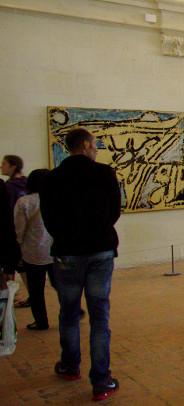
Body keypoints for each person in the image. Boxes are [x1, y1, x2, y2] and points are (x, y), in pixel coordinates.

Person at [39, 128, 121, 401]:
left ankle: (70, 366)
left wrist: (66, 236)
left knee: (69, 312)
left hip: (67, 253)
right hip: (100, 250)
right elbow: (114, 211)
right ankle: (101, 380)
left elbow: (48, 218)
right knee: (99, 317)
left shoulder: (52, 178)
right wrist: (98, 231)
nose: (96, 149)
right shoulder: (104, 173)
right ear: (85, 144)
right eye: (94, 144)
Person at [13, 169, 53, 330]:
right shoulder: (57, 198)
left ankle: (41, 321)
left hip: (32, 251)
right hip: (55, 250)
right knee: (61, 286)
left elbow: (19, 229)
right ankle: (71, 313)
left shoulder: (24, 202)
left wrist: (17, 246)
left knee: (36, 290)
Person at [1, 155, 29, 307]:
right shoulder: (28, 182)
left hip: (12, 231)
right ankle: (32, 295)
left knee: (11, 265)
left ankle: (8, 298)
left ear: (13, 166)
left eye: (4, 164)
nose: (1, 167)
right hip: (29, 232)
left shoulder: (8, 187)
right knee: (23, 266)